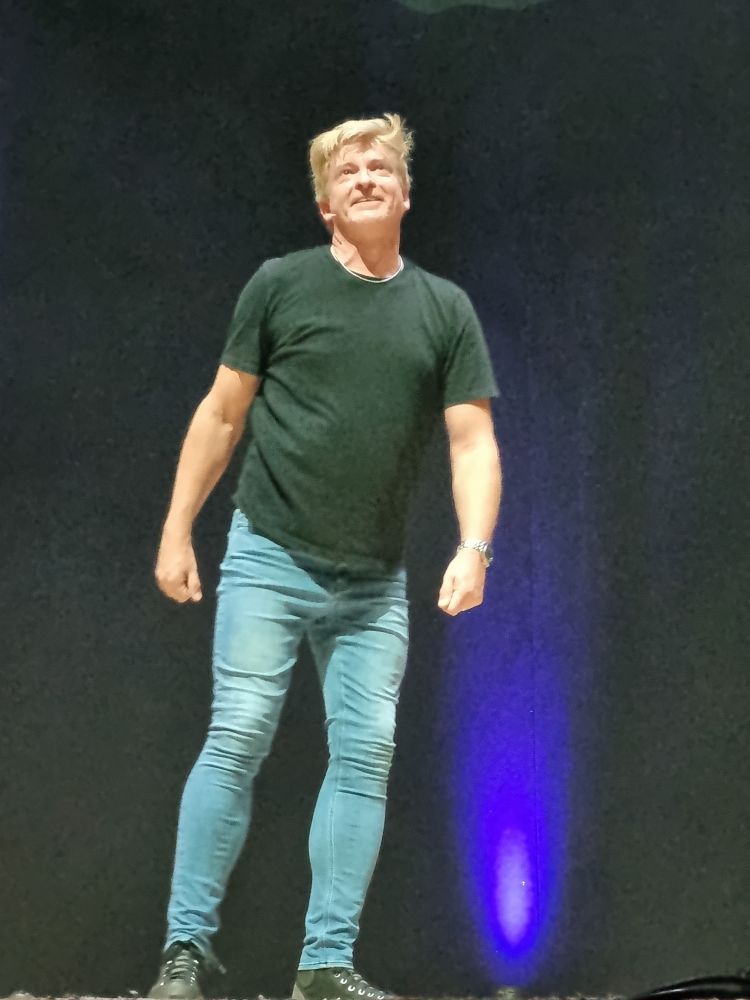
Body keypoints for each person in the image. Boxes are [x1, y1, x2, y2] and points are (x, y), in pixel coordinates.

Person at [148, 112, 503, 1000]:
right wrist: (176, 529)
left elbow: (472, 443)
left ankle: (326, 964)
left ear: (407, 192)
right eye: (348, 171)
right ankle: (184, 953)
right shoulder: (280, 287)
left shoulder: (443, 309)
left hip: (373, 582)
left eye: (381, 166)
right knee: (235, 737)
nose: (366, 178)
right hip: (269, 554)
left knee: (365, 757)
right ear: (325, 204)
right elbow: (223, 414)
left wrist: (474, 548)